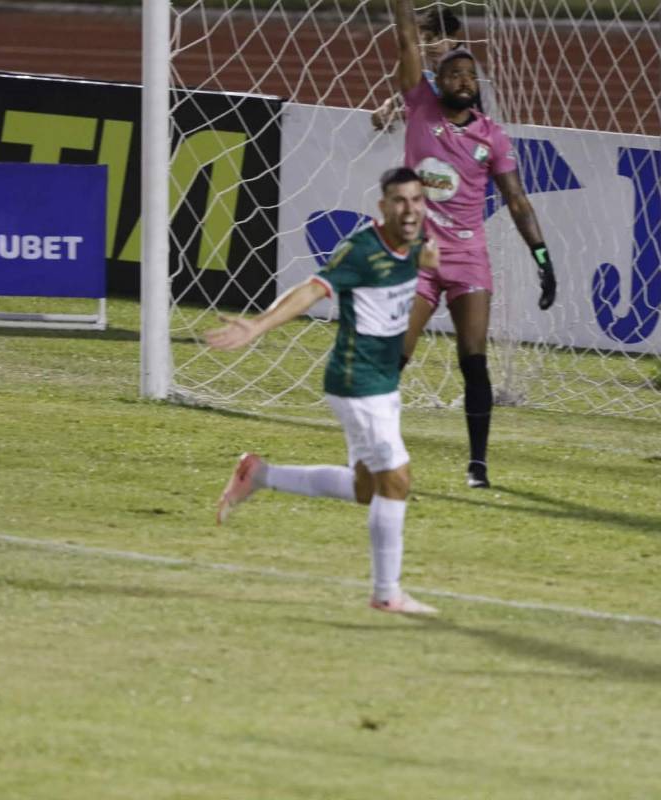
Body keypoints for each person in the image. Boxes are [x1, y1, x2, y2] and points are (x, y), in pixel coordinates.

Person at [206, 167, 440, 615]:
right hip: (357, 383)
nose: (409, 209)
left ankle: (259, 474)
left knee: (367, 490)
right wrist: (257, 325)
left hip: (383, 382)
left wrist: (426, 262)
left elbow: (416, 257)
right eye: (399, 201)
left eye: (416, 200)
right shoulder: (359, 250)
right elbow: (311, 290)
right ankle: (386, 592)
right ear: (382, 207)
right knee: (397, 478)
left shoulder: (415, 239)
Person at [390, 0, 557, 489]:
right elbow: (405, 41)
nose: (463, 79)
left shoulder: (493, 138)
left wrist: (543, 258)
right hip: (419, 256)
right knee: (397, 354)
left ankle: (478, 466)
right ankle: (374, 447)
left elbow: (518, 201)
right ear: (437, 80)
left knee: (474, 358)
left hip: (468, 258)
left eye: (469, 74)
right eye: (453, 73)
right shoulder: (419, 104)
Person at [371, 5, 467, 131]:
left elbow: (458, 113)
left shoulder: (463, 67)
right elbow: (410, 93)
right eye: (428, 38)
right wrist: (388, 105)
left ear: (454, 40)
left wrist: (404, 113)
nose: (433, 45)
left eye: (441, 39)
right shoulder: (422, 61)